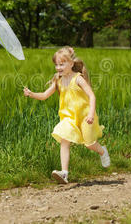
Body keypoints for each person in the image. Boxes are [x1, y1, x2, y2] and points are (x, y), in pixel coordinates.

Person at [23, 46, 110, 183]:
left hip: (85, 116)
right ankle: (64, 173)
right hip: (69, 118)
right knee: (64, 140)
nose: (58, 67)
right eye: (56, 64)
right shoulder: (58, 80)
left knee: (89, 144)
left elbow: (92, 96)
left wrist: (91, 114)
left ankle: (102, 151)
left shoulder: (78, 79)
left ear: (71, 63)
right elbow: (45, 95)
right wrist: (32, 94)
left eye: (62, 64)